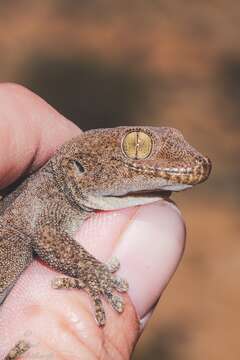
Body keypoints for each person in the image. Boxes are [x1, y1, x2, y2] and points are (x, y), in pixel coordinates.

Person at [0, 83, 185, 359]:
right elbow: (47, 237)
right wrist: (96, 274)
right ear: (80, 167)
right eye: (138, 147)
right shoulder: (49, 194)